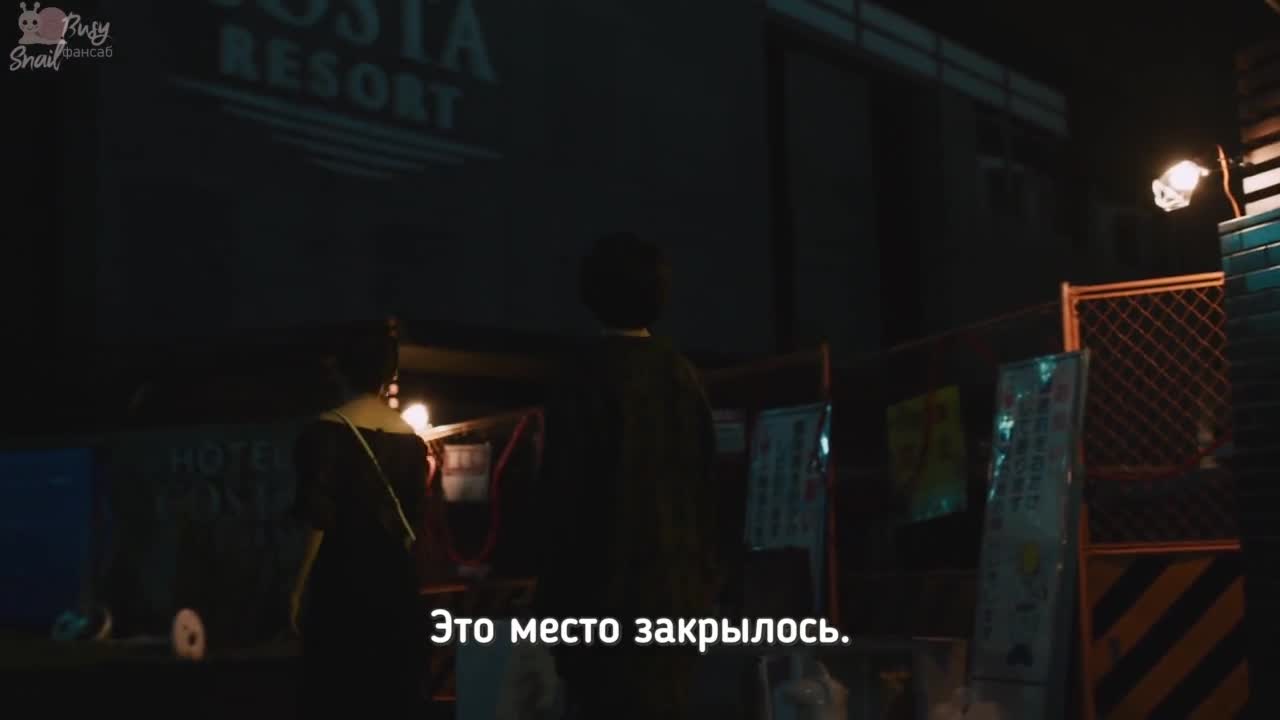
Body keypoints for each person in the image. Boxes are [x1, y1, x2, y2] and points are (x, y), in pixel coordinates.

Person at [534, 233, 720, 720]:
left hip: (599, 598)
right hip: (676, 598)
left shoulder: (580, 377)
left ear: (591, 293)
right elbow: (707, 488)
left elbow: (562, 499)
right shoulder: (682, 375)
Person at [289, 328, 430, 716]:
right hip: (395, 580)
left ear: (340, 370)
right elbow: (412, 523)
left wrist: (298, 587)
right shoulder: (411, 441)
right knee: (389, 693)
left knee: (337, 690)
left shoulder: (323, 433)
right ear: (388, 374)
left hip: (341, 578)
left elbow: (318, 519)